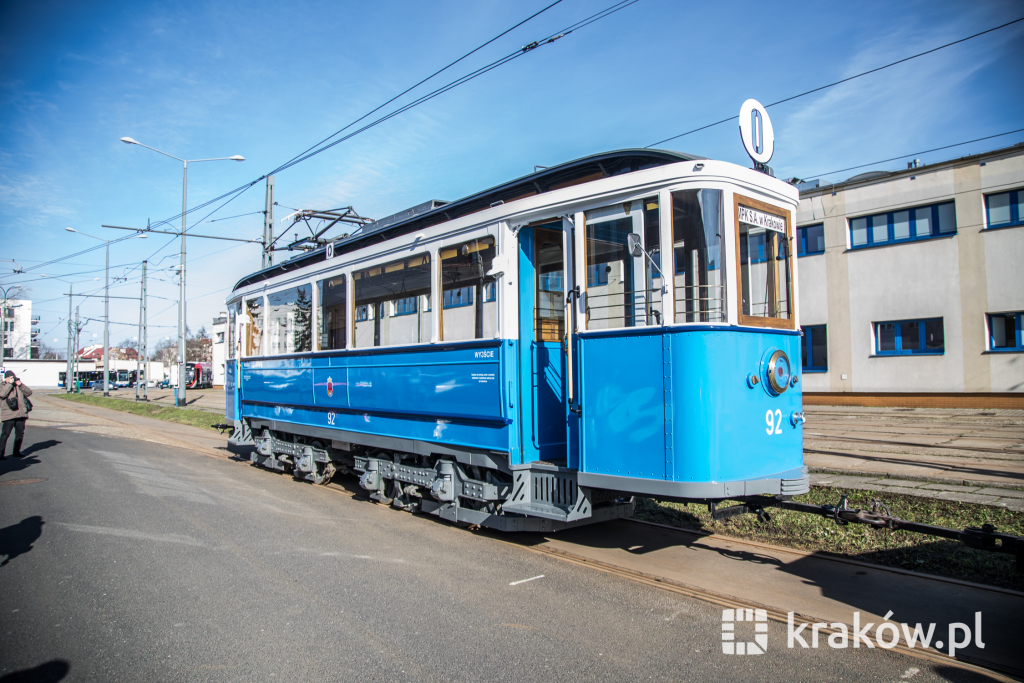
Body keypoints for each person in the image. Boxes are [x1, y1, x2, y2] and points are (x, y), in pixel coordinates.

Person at [0, 370, 32, 459]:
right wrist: (9, 384)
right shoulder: (2, 385)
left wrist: (20, 385)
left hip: (21, 414)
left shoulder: (18, 385)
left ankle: (16, 451)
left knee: (19, 434)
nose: (12, 379)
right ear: (6, 378)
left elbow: (29, 393)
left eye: (13, 377)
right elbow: (2, 394)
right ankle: (0, 453)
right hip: (8, 414)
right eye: (10, 377)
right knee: (5, 434)